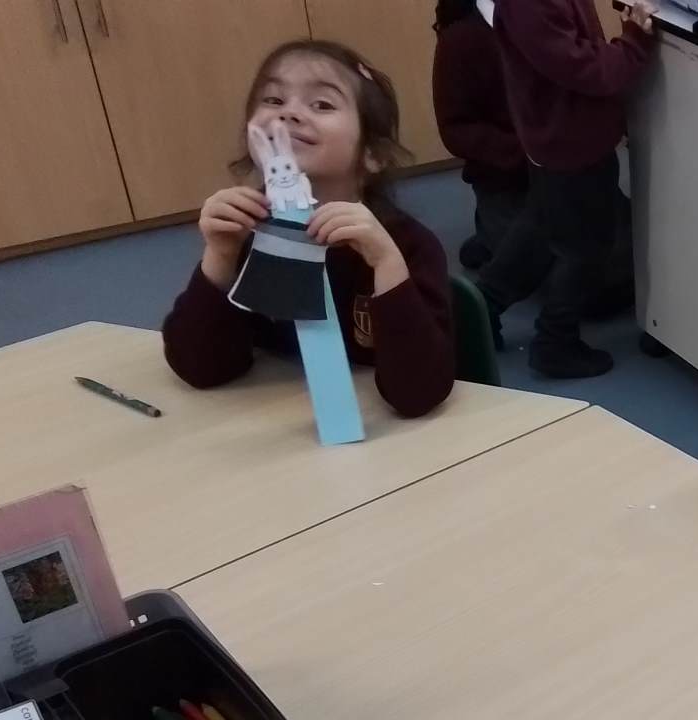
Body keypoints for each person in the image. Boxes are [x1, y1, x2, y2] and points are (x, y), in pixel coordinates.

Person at [163, 41, 456, 418]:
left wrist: (387, 265)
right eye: (273, 100)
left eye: (322, 104)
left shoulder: (406, 245)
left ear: (373, 153)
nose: (289, 113)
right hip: (276, 421)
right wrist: (220, 254)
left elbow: (418, 394)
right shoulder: (250, 232)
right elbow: (200, 369)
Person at [480, 0, 656, 378]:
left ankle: (479, 309)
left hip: (557, 134)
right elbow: (586, 69)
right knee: (586, 247)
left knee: (542, 226)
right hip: (570, 140)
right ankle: (555, 341)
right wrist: (633, 43)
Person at [431, 0, 526, 272]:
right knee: (532, 269)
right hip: (509, 177)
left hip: (565, 170)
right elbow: (455, 129)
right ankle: (488, 236)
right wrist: (523, 151)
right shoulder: (460, 39)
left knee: (608, 262)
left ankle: (490, 236)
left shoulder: (551, 17)